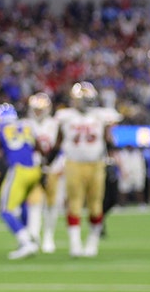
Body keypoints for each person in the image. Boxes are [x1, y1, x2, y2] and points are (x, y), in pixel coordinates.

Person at [47, 81, 121, 258]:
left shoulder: (101, 116)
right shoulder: (65, 116)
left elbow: (108, 139)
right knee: (74, 203)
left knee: (96, 205)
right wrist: (48, 163)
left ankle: (92, 241)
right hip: (73, 163)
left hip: (96, 164)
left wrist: (112, 157)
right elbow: (58, 142)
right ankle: (75, 243)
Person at [0, 102, 42, 260]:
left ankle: (26, 242)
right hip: (34, 169)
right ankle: (28, 238)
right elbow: (39, 147)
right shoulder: (27, 125)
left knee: (5, 210)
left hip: (18, 170)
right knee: (23, 203)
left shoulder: (1, 128)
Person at [25, 92, 63, 253]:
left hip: (53, 169)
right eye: (36, 109)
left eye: (41, 109)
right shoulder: (26, 124)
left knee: (52, 205)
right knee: (34, 204)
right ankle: (33, 236)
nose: (38, 112)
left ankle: (48, 236)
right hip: (33, 168)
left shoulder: (55, 124)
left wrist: (57, 166)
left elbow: (60, 146)